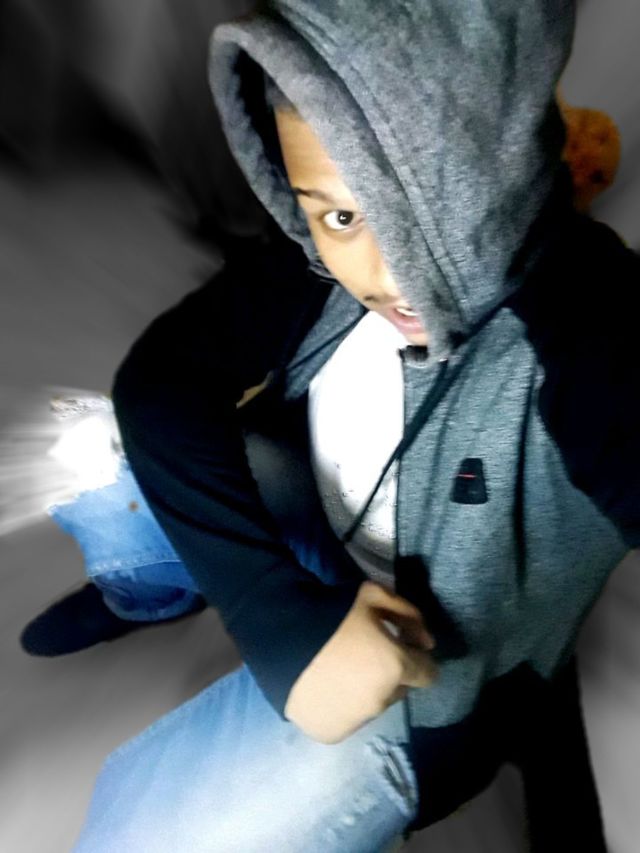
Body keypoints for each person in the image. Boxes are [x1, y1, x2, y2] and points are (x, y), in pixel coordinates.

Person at [20, 0, 640, 849]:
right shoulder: (317, 259)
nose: (383, 274)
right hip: (316, 518)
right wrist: (275, 619)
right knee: (108, 443)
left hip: (424, 678)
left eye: (420, 202)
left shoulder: (594, 324)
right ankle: (150, 587)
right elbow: (161, 382)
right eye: (341, 214)